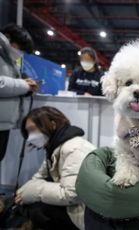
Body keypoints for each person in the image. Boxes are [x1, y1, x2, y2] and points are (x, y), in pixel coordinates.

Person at [15, 106, 96, 230]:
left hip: (86, 215)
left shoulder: (73, 148)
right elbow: (40, 176)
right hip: (77, 207)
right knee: (27, 204)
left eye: (32, 130)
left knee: (37, 210)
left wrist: (36, 191)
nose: (30, 137)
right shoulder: (55, 148)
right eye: (28, 132)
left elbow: (72, 194)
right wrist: (23, 193)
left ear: (52, 125)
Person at [0, 23, 38, 162]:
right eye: (19, 47)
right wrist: (23, 85)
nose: (19, 52)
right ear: (8, 38)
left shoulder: (9, 59)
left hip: (4, 122)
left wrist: (26, 88)